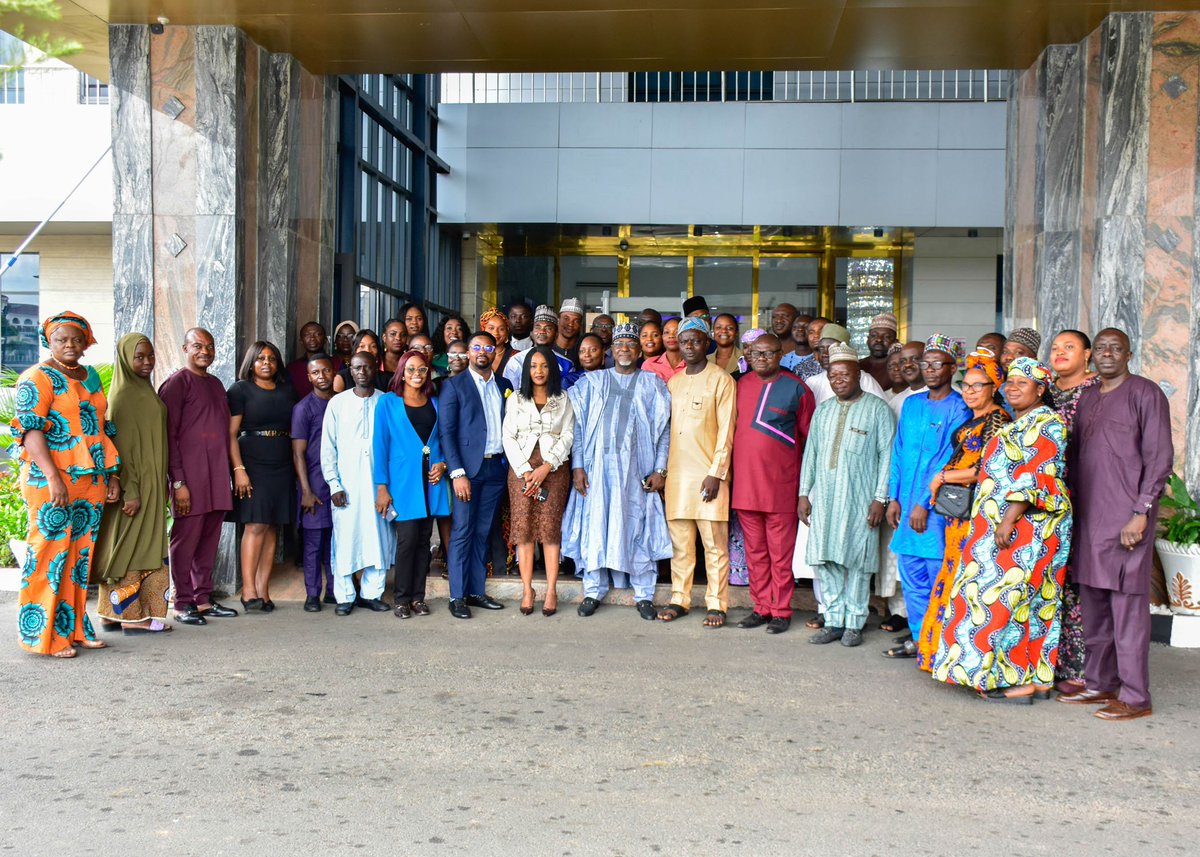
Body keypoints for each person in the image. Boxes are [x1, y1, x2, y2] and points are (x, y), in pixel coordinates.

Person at [932, 357, 1072, 703]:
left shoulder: (1049, 423)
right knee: (1028, 602)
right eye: (1009, 381)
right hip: (1002, 524)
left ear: (1041, 389)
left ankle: (1017, 681)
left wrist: (1009, 519)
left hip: (1026, 525)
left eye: (1022, 383)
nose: (1012, 387)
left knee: (1011, 602)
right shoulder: (1019, 423)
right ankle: (1037, 679)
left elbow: (1038, 475)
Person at [1059, 328, 1173, 720]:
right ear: (1094, 357)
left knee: (1127, 611)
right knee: (1095, 609)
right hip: (1089, 520)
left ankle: (1136, 697)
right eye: (1102, 348)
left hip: (1127, 521)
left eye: (1116, 348)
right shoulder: (1088, 397)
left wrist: (1141, 512)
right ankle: (1100, 683)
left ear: (1128, 354)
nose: (1107, 354)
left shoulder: (1145, 393)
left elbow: (1159, 458)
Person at [11, 312, 120, 657]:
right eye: (61, 339)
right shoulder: (37, 377)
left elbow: (103, 426)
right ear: (49, 341)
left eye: (76, 339)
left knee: (78, 557)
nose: (69, 345)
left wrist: (112, 474)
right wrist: (54, 477)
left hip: (91, 480)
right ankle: (44, 638)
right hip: (51, 481)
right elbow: (30, 430)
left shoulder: (90, 378)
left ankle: (74, 629)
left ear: (87, 342)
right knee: (48, 555)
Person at [563, 325, 671, 621]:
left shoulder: (653, 383)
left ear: (639, 352)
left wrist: (660, 469)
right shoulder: (592, 382)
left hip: (638, 472)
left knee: (639, 527)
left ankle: (644, 594)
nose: (624, 349)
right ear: (612, 351)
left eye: (630, 345)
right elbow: (580, 429)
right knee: (596, 524)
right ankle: (593, 590)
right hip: (598, 471)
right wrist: (578, 466)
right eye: (619, 344)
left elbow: (664, 431)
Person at [914, 349, 1010, 670]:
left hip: (978, 513)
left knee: (966, 581)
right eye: (965, 385)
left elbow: (988, 468)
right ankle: (939, 654)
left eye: (977, 385)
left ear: (993, 387)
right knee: (952, 575)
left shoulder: (998, 419)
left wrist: (942, 476)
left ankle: (961, 658)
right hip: (959, 512)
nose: (969, 391)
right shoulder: (976, 418)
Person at [798, 343, 894, 647]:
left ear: (858, 375)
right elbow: (810, 455)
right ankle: (834, 619)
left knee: (857, 562)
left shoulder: (878, 409)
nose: (838, 380)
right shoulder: (823, 411)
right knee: (826, 560)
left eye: (845, 374)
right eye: (833, 374)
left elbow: (887, 456)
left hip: (861, 500)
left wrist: (880, 498)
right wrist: (803, 493)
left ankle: (854, 622)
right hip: (825, 499)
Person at [883, 334, 971, 658]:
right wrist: (894, 497)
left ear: (953, 367)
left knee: (938, 579)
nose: (931, 369)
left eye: (938, 364)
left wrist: (923, 503)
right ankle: (922, 642)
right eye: (927, 364)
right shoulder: (912, 404)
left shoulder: (960, 407)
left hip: (935, 511)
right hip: (905, 506)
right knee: (912, 580)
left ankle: (942, 645)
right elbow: (899, 450)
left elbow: (947, 460)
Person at [730, 333, 814, 634]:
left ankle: (781, 610)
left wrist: (805, 487)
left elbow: (810, 441)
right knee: (755, 552)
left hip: (781, 486)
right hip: (745, 486)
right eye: (756, 354)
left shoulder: (797, 389)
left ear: (781, 354)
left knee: (780, 553)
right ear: (748, 355)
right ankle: (761, 607)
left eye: (768, 353)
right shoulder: (739, 385)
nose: (762, 359)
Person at [659, 318, 737, 628]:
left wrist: (717, 473)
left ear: (707, 343)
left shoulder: (721, 380)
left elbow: (727, 432)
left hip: (709, 477)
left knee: (714, 546)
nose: (690, 346)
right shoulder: (674, 383)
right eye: (685, 341)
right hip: (677, 477)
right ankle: (680, 598)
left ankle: (717, 604)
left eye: (696, 340)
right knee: (681, 546)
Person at [159, 328, 238, 627]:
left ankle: (202, 599)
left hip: (216, 476)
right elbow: (169, 435)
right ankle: (182, 602)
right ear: (185, 348)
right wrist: (178, 482)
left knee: (208, 541)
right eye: (197, 345)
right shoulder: (178, 383)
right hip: (189, 480)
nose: (204, 351)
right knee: (185, 541)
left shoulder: (216, 384)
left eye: (209, 346)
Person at [95, 333, 172, 635]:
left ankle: (110, 614)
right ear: (125, 358)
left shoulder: (143, 390)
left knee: (131, 544)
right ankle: (135, 618)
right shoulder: (124, 396)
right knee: (134, 548)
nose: (146, 362)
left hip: (150, 486)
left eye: (150, 355)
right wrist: (132, 490)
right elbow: (122, 451)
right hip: (136, 489)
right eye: (139, 356)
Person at [439, 331, 512, 619]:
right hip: (467, 470)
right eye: (477, 347)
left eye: (488, 347)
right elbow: (447, 432)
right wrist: (457, 473)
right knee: (462, 532)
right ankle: (457, 596)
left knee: (482, 532)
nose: (483, 351)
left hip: (496, 468)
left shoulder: (504, 385)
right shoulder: (454, 386)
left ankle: (476, 591)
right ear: (468, 352)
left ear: (495, 352)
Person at [374, 349, 449, 619]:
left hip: (430, 483)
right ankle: (401, 599)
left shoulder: (435, 402)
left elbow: (441, 441)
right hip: (402, 484)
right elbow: (379, 447)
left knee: (423, 542)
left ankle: (419, 597)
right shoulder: (388, 403)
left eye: (421, 370)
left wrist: (443, 465)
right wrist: (381, 487)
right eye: (411, 369)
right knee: (406, 541)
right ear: (402, 372)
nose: (416, 374)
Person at [501, 346, 575, 616]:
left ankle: (552, 589)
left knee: (550, 529)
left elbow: (567, 436)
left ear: (552, 369)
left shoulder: (563, 399)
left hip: (553, 470)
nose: (539, 371)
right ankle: (527, 589)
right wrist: (524, 470)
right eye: (533, 366)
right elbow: (508, 436)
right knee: (524, 529)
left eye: (544, 366)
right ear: (526, 370)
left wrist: (547, 466)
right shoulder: (517, 399)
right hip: (521, 469)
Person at [321, 352, 395, 616]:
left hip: (379, 484)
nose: (362, 371)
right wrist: (334, 484)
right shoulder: (337, 404)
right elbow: (328, 446)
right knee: (345, 538)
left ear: (375, 369)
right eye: (356, 367)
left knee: (379, 536)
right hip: (347, 484)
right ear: (349, 371)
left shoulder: (386, 402)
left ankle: (372, 593)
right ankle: (344, 595)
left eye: (367, 367)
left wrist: (389, 486)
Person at [1047, 329, 1100, 692]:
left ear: (1087, 354)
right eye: (1055, 348)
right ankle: (1048, 663)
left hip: (1086, 494)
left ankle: (1082, 669)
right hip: (1047, 496)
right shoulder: (1045, 390)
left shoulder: (1097, 393)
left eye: (1069, 347)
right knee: (1052, 580)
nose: (1060, 353)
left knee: (1080, 585)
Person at [228, 340, 296, 613]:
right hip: (252, 461)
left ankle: (264, 590)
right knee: (255, 525)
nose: (266, 363)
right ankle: (248, 590)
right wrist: (239, 470)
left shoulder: (287, 391)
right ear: (251, 362)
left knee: (272, 527)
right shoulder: (240, 389)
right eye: (260, 358)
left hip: (281, 461)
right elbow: (230, 435)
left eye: (271, 358)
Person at [291, 353, 336, 612]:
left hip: (337, 485)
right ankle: (312, 594)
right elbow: (298, 452)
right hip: (314, 486)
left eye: (326, 371)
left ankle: (333, 591)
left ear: (334, 372)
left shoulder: (340, 403)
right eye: (316, 373)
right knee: (313, 544)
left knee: (334, 542)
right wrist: (306, 491)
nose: (322, 376)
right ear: (308, 377)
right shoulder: (303, 408)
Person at [804, 323, 886, 405]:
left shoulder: (865, 379)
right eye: (821, 348)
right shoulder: (812, 382)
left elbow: (881, 409)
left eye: (830, 348)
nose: (824, 353)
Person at [504, 305, 574, 389]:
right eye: (538, 327)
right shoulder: (516, 361)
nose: (542, 332)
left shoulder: (567, 365)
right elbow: (510, 394)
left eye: (548, 328)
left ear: (556, 334)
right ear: (532, 332)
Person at [888, 341, 929, 419]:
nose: (907, 364)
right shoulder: (895, 402)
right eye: (903, 361)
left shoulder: (946, 395)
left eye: (915, 359)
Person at [286, 321, 328, 397]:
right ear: (301, 341)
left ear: (325, 339)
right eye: (307, 335)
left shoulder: (337, 363)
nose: (312, 338)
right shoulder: (292, 368)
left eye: (317, 334)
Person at [860, 312, 899, 390]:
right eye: (874, 335)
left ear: (895, 342)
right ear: (867, 340)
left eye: (886, 337)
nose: (879, 340)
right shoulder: (858, 365)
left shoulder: (898, 369)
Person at [641, 317, 684, 383]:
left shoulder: (693, 364)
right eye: (667, 332)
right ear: (662, 337)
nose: (671, 336)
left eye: (676, 332)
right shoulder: (649, 365)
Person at [480, 306, 518, 377]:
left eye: (501, 329)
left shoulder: (516, 356)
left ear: (507, 332)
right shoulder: (475, 354)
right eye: (491, 328)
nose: (496, 333)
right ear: (483, 330)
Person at [780, 314, 819, 380]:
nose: (800, 329)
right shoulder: (782, 359)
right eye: (795, 327)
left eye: (806, 327)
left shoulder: (819, 359)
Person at [556, 297, 585, 366]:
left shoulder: (584, 351)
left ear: (580, 325)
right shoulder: (548, 347)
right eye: (566, 318)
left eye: (576, 321)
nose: (570, 324)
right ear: (558, 320)